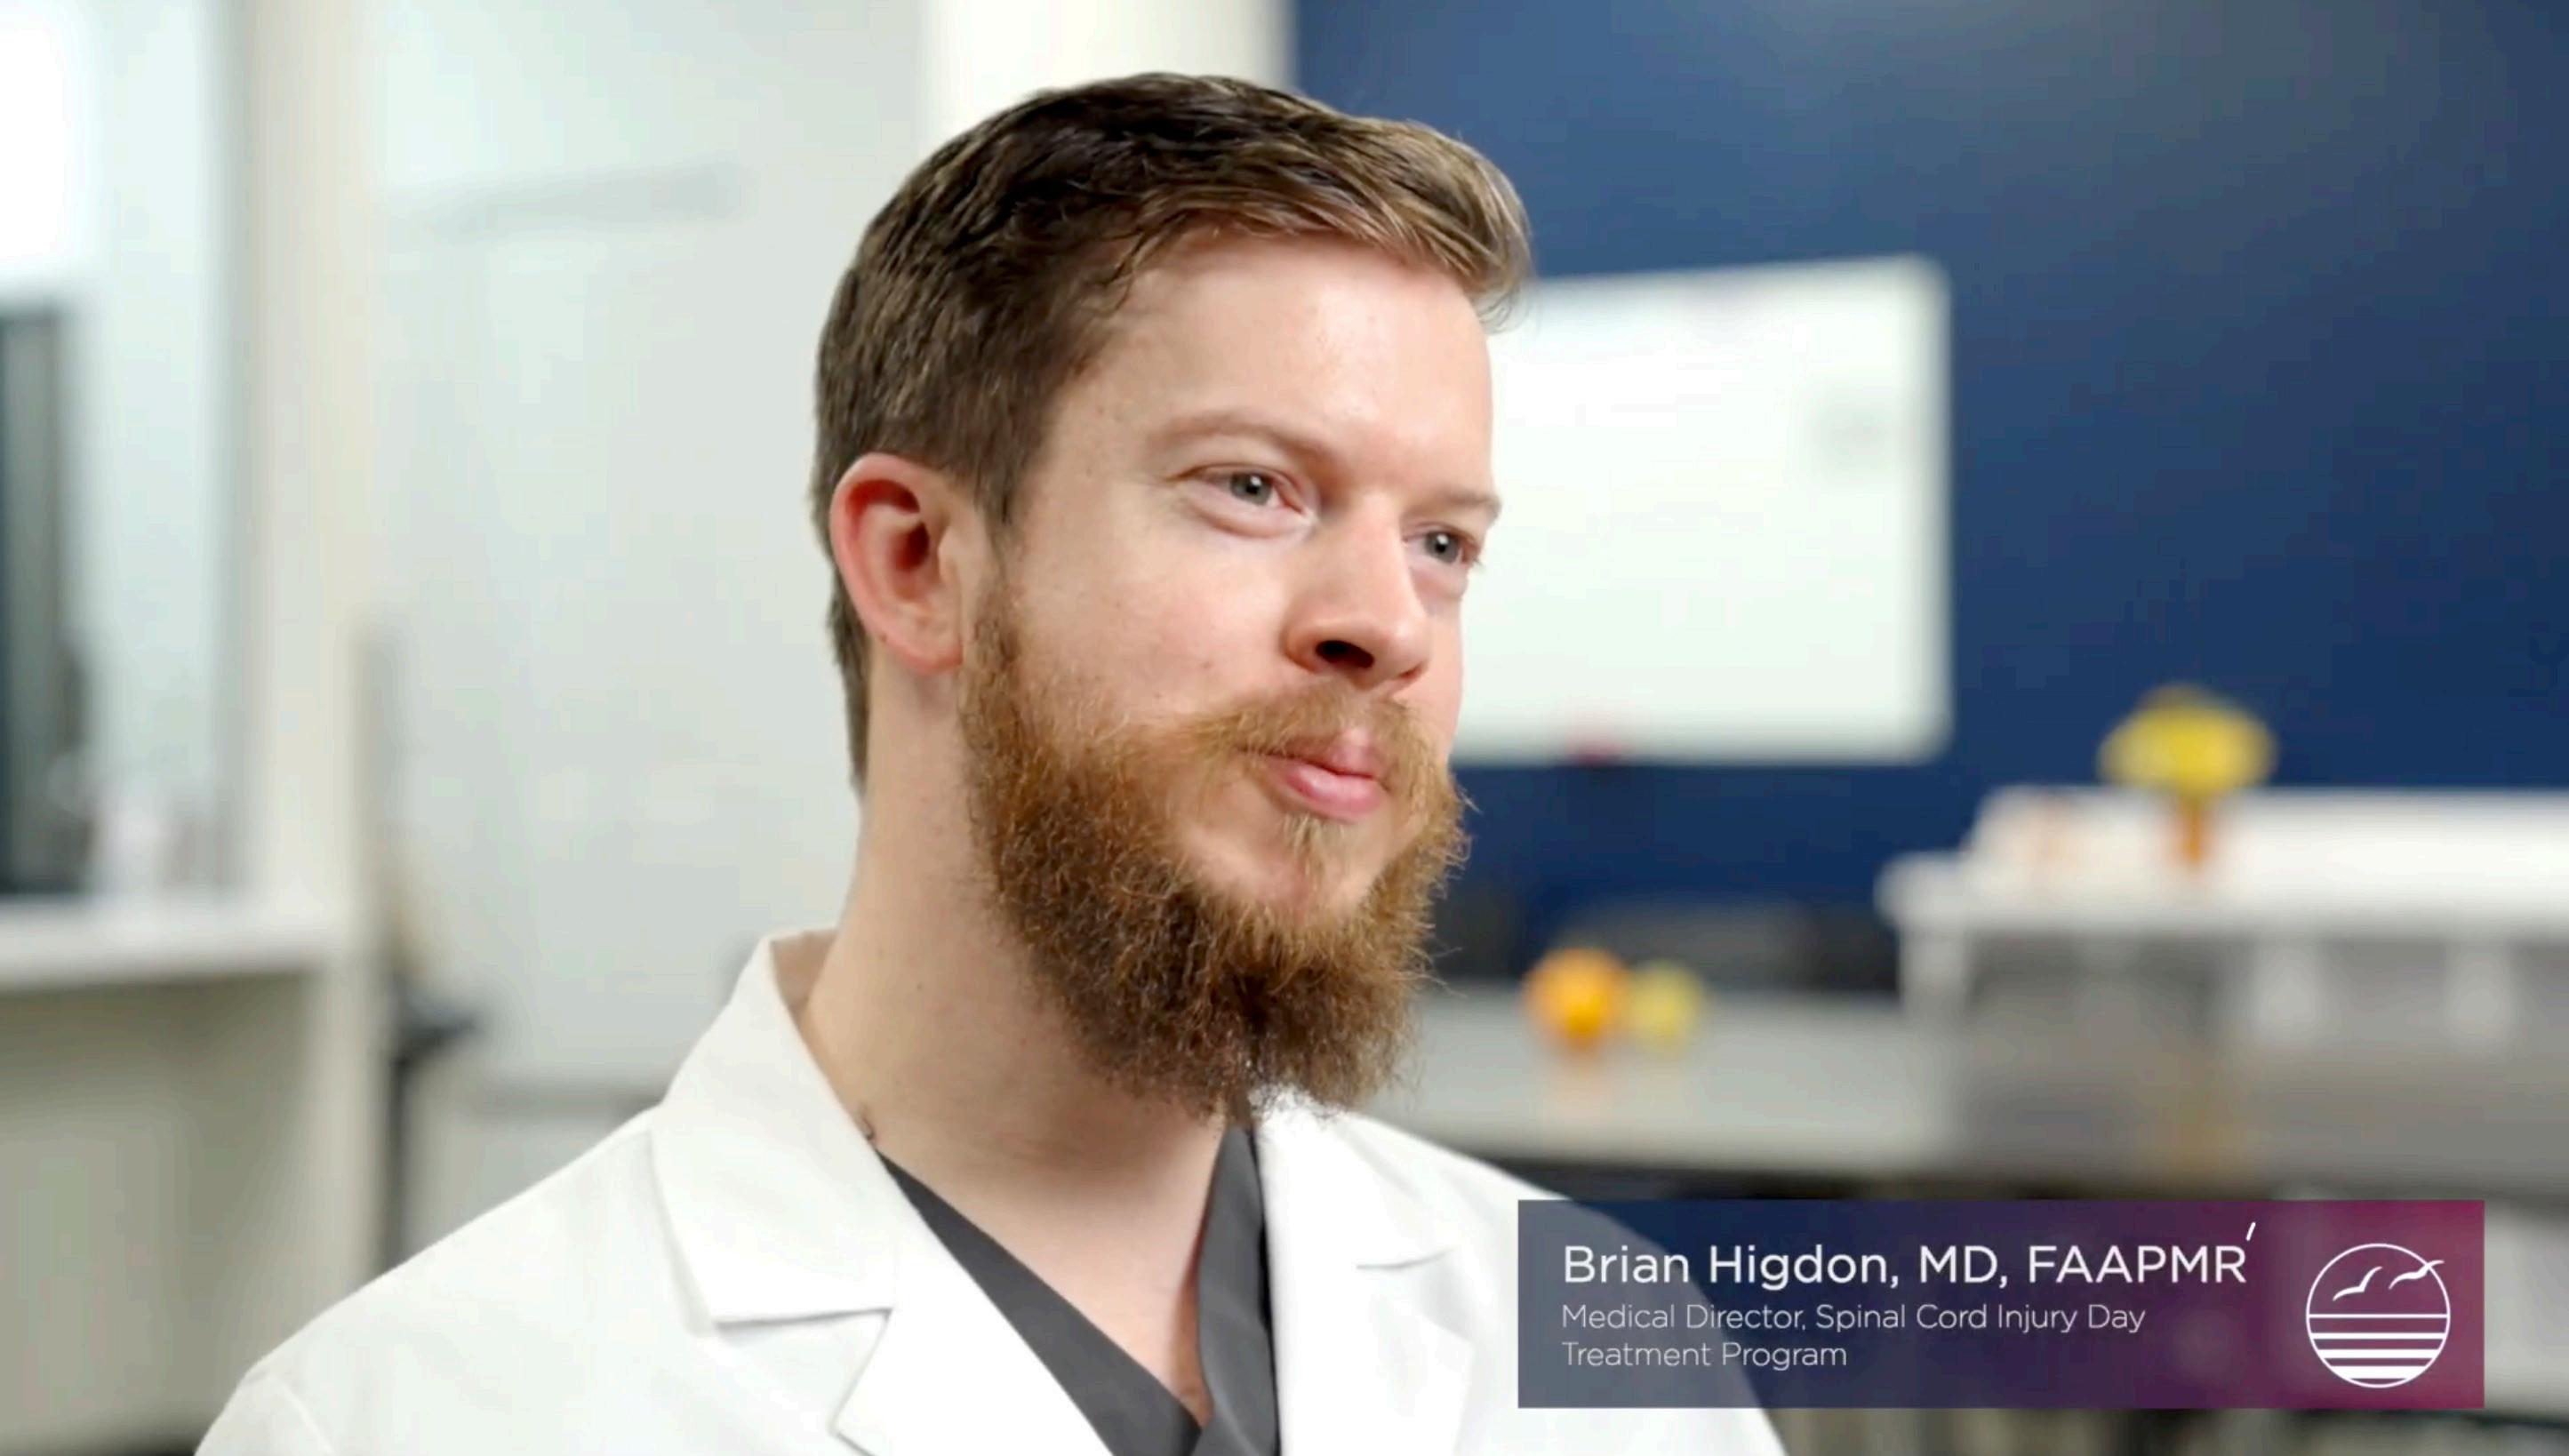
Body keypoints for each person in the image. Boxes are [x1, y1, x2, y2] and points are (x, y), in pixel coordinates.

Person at [202, 73, 1783, 1455]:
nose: (1388, 624)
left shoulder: (1606, 1342)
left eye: (1443, 542)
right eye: (1251, 485)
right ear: (917, 563)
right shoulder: (406, 1418)